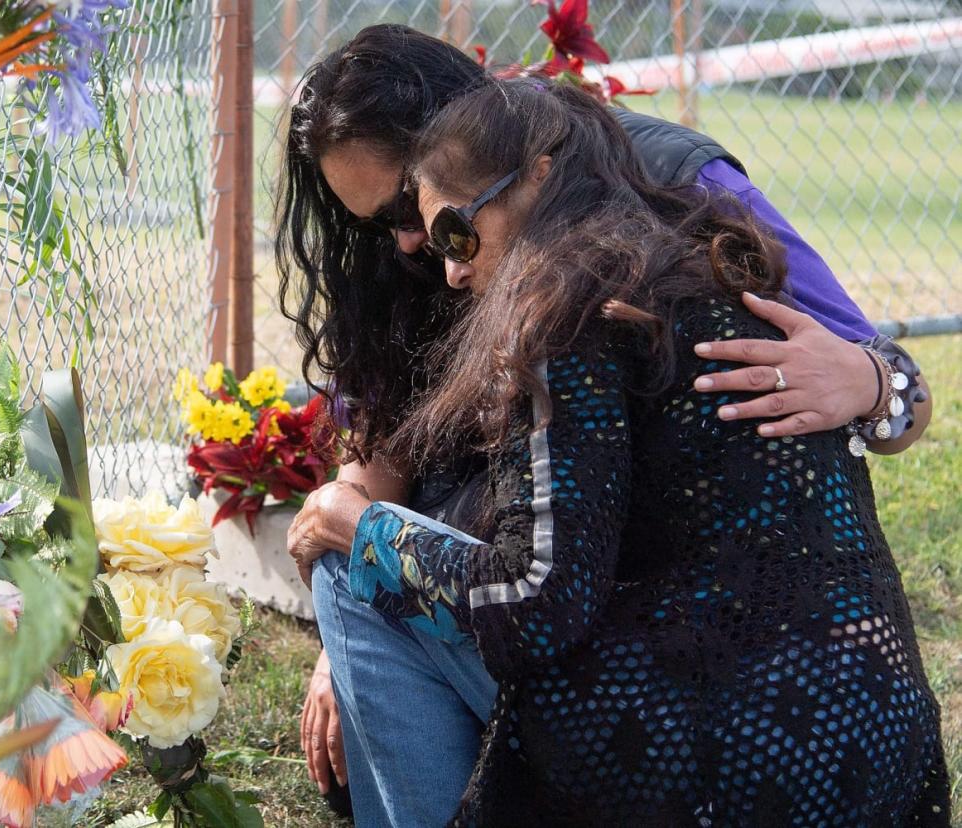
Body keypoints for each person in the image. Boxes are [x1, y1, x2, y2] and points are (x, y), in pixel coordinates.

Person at [275, 24, 934, 825]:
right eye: (385, 225)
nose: (419, 247)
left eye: (431, 215)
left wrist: (874, 377)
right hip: (868, 718)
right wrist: (346, 638)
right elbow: (376, 469)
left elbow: (537, 601)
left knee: (360, 562)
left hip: (668, 675)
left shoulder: (611, 245)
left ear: (513, 153)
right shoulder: (564, 234)